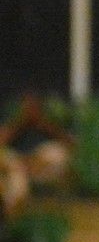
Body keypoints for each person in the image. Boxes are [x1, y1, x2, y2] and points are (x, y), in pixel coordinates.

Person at [0, 93, 74, 221]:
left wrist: (44, 124)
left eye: (34, 107)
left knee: (55, 151)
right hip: (18, 166)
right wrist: (21, 123)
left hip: (42, 168)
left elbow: (71, 145)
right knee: (16, 175)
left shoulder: (50, 123)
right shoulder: (14, 123)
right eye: (28, 107)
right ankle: (11, 218)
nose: (31, 111)